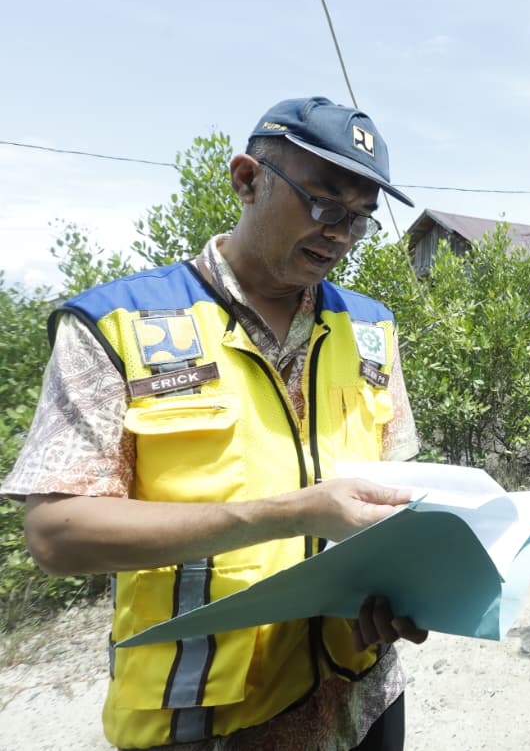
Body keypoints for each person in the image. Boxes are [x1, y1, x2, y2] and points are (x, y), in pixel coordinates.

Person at [3, 97, 430, 750]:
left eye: (359, 219)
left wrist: (401, 587)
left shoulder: (369, 327)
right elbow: (58, 534)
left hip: (362, 697)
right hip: (203, 723)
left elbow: (394, 491)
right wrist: (289, 512)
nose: (339, 234)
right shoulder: (120, 326)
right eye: (324, 205)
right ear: (245, 178)